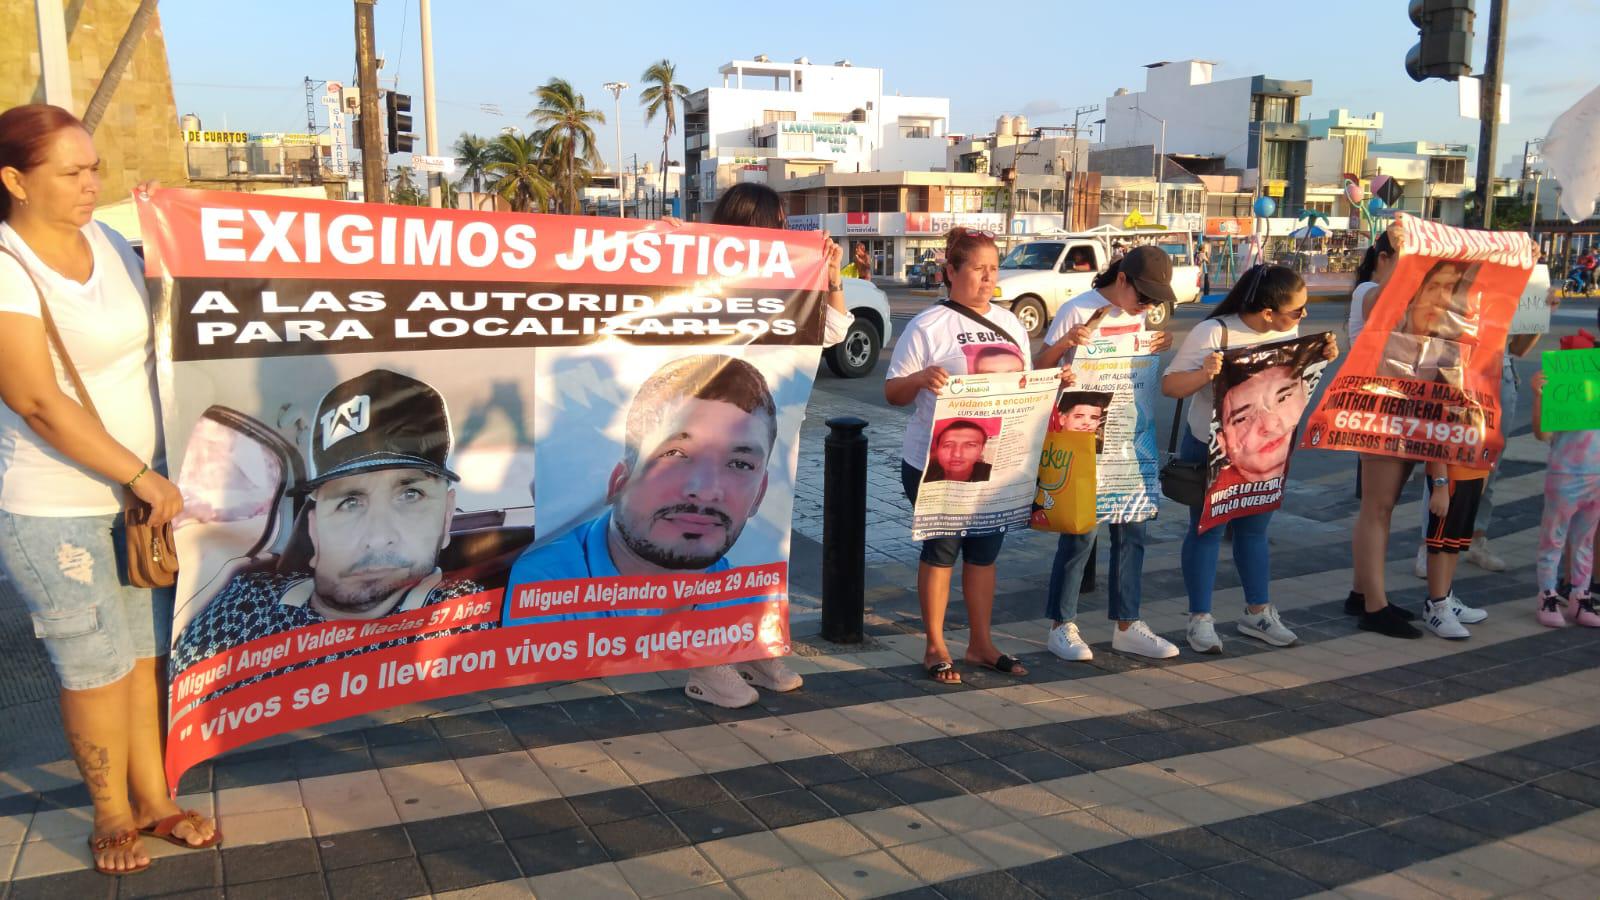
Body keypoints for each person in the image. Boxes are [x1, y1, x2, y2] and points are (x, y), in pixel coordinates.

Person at [0, 104, 218, 875]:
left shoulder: (107, 243)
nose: (92, 185)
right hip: (57, 504)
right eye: (71, 172)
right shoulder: (7, 264)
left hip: (139, 502)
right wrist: (137, 472)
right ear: (14, 181)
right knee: (92, 667)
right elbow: (34, 398)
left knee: (143, 656)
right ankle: (111, 814)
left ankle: (156, 801)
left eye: (94, 168)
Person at [508, 353, 787, 707]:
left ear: (758, 493)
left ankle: (742, 650)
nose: (705, 488)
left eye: (739, 463)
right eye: (675, 453)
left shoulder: (741, 591)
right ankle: (708, 659)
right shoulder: (546, 583)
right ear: (619, 480)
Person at [171, 370, 486, 675]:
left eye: (410, 495)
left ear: (446, 517)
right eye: (349, 501)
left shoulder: (470, 619)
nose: (377, 537)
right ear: (313, 529)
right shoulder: (242, 606)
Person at [658, 182, 839, 705]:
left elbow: (830, 334)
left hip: (762, 443)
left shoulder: (790, 283)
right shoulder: (703, 274)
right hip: (703, 435)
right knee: (699, 546)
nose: (786, 234)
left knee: (758, 546)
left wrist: (829, 278)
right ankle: (705, 660)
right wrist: (671, 242)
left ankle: (750, 643)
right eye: (779, 223)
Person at [887, 227, 1064, 684]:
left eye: (993, 267)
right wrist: (921, 379)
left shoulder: (1009, 323)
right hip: (937, 460)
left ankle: (981, 643)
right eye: (978, 268)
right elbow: (893, 392)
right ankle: (935, 644)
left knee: (985, 553)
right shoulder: (928, 325)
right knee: (942, 549)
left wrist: (1052, 382)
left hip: (997, 459)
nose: (988, 277)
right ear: (951, 271)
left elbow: (1023, 385)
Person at [1162, 265, 1339, 653]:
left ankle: (1258, 612)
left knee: (1255, 531)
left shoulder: (1285, 331)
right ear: (1267, 312)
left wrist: (1317, 359)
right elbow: (1171, 386)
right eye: (1297, 311)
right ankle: (1200, 619)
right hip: (1210, 447)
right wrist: (1206, 374)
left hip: (1265, 451)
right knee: (1206, 530)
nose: (1303, 316)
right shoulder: (1214, 332)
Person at [1034, 247, 1177, 662]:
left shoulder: (1137, 314)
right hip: (1083, 435)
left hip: (1129, 434)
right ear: (1122, 280)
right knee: (1081, 531)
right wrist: (1065, 343)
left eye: (1154, 299)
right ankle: (1061, 624)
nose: (1148, 304)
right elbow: (1041, 365)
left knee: (1133, 528)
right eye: (1144, 294)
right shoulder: (1078, 309)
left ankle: (1128, 624)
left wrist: (1157, 344)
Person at [1342, 221, 1425, 639]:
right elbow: (1384, 303)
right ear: (1384, 260)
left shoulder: (1398, 291)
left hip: (1401, 407)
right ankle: (1374, 606)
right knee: (1377, 507)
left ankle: (1363, 592)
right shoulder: (1365, 292)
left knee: (1384, 505)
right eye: (1403, 261)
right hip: (1376, 407)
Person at [671, 182, 852, 347]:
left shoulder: (786, 285)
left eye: (785, 225)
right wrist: (662, 238)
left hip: (759, 382)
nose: (785, 232)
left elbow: (833, 331)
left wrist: (832, 273)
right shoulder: (694, 278)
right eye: (779, 224)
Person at [1531, 369, 1600, 627]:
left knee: (1585, 541)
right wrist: (1538, 395)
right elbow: (1541, 432)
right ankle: (1547, 594)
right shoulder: (1564, 388)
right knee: (1553, 538)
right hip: (1565, 476)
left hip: (1596, 478)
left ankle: (1580, 595)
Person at [1210, 339, 1323, 489]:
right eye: (1242, 419)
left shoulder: (1285, 334)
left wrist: (1322, 353)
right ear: (1222, 440)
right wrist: (1202, 374)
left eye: (1282, 398)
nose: (1269, 426)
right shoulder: (1214, 333)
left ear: (1305, 391)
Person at [1375, 260, 1477, 387]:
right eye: (1432, 287)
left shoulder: (1452, 346)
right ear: (1414, 292)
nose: (1440, 299)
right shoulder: (1387, 334)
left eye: (1448, 288)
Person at [923, 419, 993, 483]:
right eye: (948, 445)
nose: (957, 454)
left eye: (970, 445)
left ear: (982, 449)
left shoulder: (993, 474)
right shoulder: (924, 473)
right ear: (937, 448)